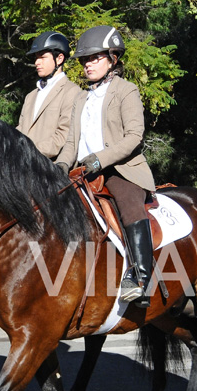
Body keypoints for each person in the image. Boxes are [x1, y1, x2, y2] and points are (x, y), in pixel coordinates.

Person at [54, 25, 156, 307]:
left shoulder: (126, 90)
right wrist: (61, 165)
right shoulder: (80, 98)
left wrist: (101, 158)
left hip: (120, 169)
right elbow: (71, 142)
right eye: (85, 60)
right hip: (82, 173)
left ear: (113, 58)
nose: (88, 64)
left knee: (128, 203)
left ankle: (141, 279)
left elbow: (134, 136)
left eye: (95, 58)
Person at [17, 31, 81, 160]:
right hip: (23, 165)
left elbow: (64, 136)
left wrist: (27, 151)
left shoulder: (72, 92)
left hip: (51, 169)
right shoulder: (30, 96)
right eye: (36, 57)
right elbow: (20, 130)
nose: (37, 62)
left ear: (59, 58)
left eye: (42, 57)